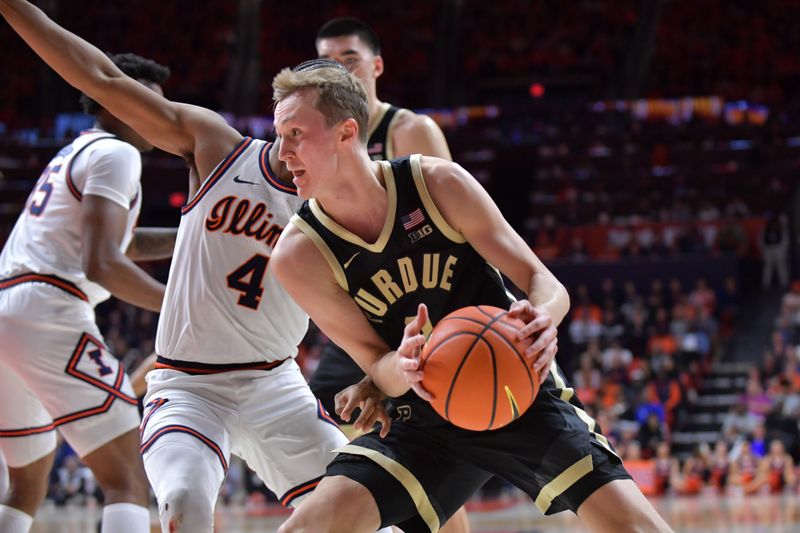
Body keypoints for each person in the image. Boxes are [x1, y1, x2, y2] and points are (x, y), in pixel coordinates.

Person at [0, 3, 390, 533]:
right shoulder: (217, 147)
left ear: (342, 136)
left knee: (367, 514)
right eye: (285, 127)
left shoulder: (339, 210)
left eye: (304, 132)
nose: (288, 143)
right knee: (183, 500)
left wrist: (379, 376)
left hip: (274, 386)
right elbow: (100, 76)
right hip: (187, 386)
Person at [269, 62, 672, 532]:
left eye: (295, 133)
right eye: (279, 136)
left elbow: (545, 283)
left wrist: (543, 318)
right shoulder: (299, 256)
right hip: (421, 422)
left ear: (346, 132)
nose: (282, 152)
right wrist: (402, 365)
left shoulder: (436, 185)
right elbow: (376, 366)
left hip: (517, 392)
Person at [0, 51, 175, 533]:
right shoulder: (118, 153)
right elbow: (101, 263)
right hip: (49, 312)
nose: (160, 115)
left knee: (26, 482)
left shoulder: (81, 151)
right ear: (112, 101)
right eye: (147, 102)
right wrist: (178, 303)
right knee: (126, 478)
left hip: (10, 314)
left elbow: (123, 243)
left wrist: (192, 237)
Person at [311, 16, 453, 424]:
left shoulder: (409, 130)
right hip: (366, 309)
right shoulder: (316, 149)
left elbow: (457, 233)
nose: (339, 68)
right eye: (327, 60)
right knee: (314, 427)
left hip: (427, 303)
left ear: (377, 66)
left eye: (350, 58)